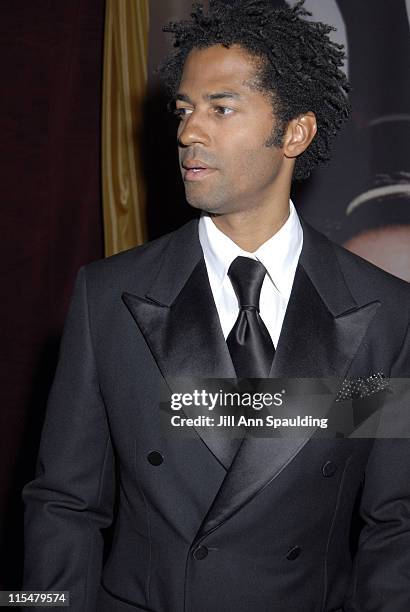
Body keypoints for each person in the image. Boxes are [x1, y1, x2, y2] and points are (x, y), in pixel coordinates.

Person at [23, 1, 410, 610]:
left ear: (295, 132)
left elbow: (397, 525)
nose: (187, 132)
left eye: (220, 108)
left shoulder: (384, 312)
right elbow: (64, 506)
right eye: (184, 110)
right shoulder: (107, 296)